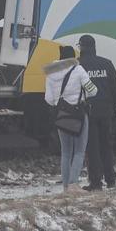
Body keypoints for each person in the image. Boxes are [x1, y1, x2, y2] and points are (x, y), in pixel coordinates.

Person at [43, 45, 97, 193]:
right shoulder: (78, 69)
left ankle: (66, 187)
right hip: (79, 113)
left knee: (66, 152)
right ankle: (74, 184)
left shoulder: (51, 73)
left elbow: (48, 98)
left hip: (61, 115)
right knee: (80, 150)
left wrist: (60, 102)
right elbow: (93, 90)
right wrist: (80, 97)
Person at [77, 34, 116, 191]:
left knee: (92, 147)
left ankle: (96, 182)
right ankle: (111, 180)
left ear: (81, 47)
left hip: (89, 112)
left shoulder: (79, 65)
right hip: (106, 111)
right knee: (107, 146)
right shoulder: (106, 63)